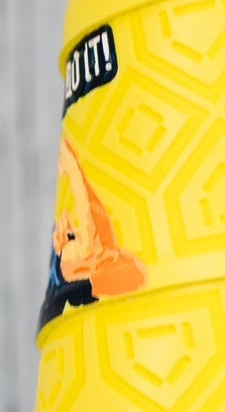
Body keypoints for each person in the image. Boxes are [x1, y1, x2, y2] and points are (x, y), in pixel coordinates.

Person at [38, 139, 147, 328]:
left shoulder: (77, 257)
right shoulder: (88, 251)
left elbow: (84, 206)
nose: (71, 231)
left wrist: (72, 166)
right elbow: (85, 205)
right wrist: (73, 167)